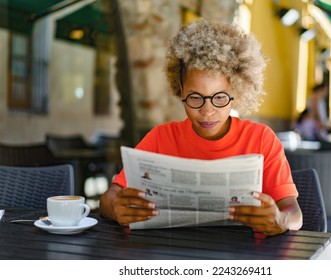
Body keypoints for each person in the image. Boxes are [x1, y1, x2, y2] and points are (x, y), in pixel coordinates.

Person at [99, 19, 302, 236]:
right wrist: (115, 208)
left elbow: (294, 212)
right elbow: (108, 198)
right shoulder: (161, 137)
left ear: (236, 93)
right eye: (195, 98)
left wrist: (281, 219)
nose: (207, 111)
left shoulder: (261, 139)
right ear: (180, 91)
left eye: (220, 98)